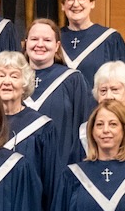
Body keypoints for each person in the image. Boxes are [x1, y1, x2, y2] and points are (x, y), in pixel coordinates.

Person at [0, 51, 69, 197]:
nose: (6, 82)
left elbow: (52, 184)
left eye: (14, 76)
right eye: (1, 75)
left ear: (25, 84)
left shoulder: (42, 127)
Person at [23, 18, 92, 158]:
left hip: (61, 164)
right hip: (21, 168)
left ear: (57, 46)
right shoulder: (13, 81)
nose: (40, 44)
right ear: (25, 43)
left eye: (47, 40)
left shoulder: (72, 80)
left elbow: (83, 127)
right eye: (34, 39)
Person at [56, 0, 125, 83]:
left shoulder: (110, 39)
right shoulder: (54, 39)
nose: (76, 4)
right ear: (63, 5)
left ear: (92, 3)